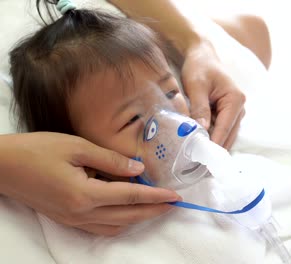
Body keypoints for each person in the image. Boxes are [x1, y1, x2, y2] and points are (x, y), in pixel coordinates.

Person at [0, 0, 271, 236]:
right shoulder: (100, 232)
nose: (171, 122)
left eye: (170, 92)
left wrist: (197, 44)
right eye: (131, 120)